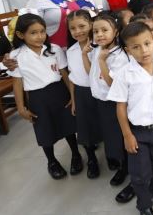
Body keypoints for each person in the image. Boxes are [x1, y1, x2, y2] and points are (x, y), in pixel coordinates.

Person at [108, 22, 153, 214]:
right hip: (137, 132)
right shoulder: (125, 74)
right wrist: (127, 135)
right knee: (140, 173)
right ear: (128, 50)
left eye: (147, 43)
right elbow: (121, 106)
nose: (144, 50)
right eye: (136, 47)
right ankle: (144, 204)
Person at [8, 13, 81, 180]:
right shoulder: (16, 56)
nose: (40, 36)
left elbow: (65, 74)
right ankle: (52, 161)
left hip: (59, 92)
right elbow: (17, 83)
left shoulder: (54, 49)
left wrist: (72, 96)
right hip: (37, 98)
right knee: (44, 131)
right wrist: (20, 107)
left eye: (42, 31)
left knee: (68, 126)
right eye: (33, 33)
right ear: (21, 35)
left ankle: (76, 154)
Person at [82, 13, 133, 203]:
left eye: (105, 30)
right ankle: (119, 163)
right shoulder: (98, 50)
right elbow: (90, 73)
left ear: (116, 32)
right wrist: (85, 54)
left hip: (114, 103)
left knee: (120, 137)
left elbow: (113, 84)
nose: (100, 34)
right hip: (100, 101)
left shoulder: (119, 56)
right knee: (111, 136)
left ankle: (125, 167)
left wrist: (103, 61)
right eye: (96, 31)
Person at [66, 10, 102, 179]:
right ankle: (92, 159)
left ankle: (113, 157)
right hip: (82, 93)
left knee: (103, 124)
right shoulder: (71, 51)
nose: (78, 31)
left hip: (100, 92)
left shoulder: (99, 46)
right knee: (85, 129)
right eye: (73, 28)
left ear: (90, 24)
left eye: (82, 26)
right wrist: (73, 100)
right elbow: (72, 77)